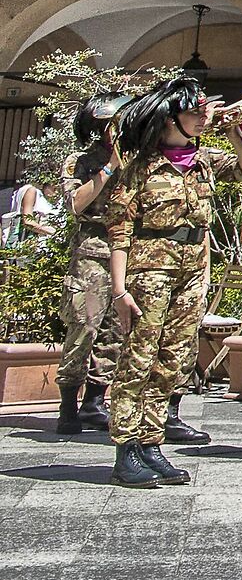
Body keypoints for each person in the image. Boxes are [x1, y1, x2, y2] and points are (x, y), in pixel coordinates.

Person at [102, 75, 242, 488]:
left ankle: (152, 442)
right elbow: (119, 229)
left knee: (174, 357)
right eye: (195, 112)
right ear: (171, 117)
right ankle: (126, 449)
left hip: (193, 270)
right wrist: (119, 290)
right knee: (139, 356)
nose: (202, 118)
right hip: (148, 270)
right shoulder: (140, 167)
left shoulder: (205, 159)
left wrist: (235, 133)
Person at [55, 98, 123, 435]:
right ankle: (68, 403)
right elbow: (76, 205)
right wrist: (107, 169)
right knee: (84, 327)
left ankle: (95, 400)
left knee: (114, 332)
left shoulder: (133, 160)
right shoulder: (80, 162)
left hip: (124, 253)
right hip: (91, 253)